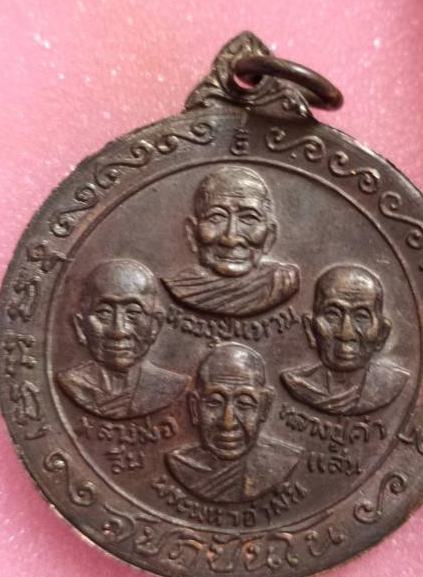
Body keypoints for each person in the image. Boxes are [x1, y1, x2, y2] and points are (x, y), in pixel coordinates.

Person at [167, 343, 302, 503]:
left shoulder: (281, 462)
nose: (228, 423)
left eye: (244, 404)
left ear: (264, 407)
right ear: (195, 407)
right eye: (214, 402)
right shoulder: (180, 464)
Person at [56, 259, 189, 420]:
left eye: (133, 312)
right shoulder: (71, 383)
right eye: (104, 312)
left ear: (155, 325)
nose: (118, 331)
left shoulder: (169, 387)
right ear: (80, 326)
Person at [162, 166, 299, 316]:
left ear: (270, 236)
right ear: (191, 232)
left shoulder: (281, 283)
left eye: (249, 218)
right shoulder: (180, 287)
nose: (230, 239)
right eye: (216, 217)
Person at [281, 265, 409, 416]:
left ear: (382, 334)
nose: (346, 334)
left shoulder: (390, 385)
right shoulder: (298, 384)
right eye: (333, 315)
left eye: (361, 317)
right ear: (310, 329)